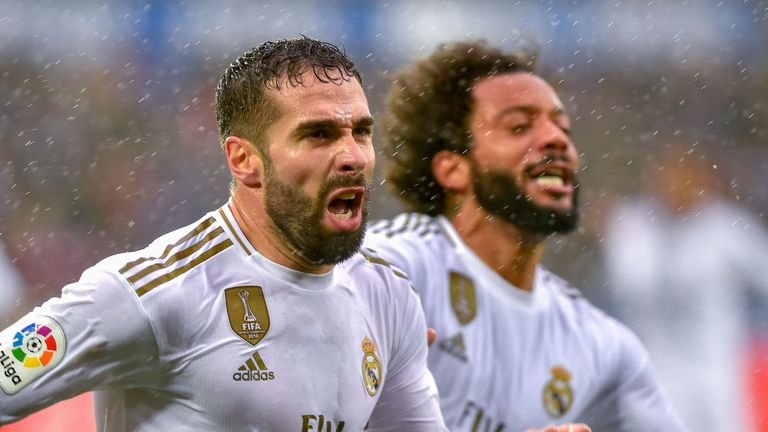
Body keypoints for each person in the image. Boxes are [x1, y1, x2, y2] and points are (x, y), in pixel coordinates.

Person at [0, 36, 447, 431]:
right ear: (243, 160)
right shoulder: (152, 293)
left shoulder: (387, 296)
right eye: (319, 135)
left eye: (361, 132)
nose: (352, 156)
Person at [363, 40, 686, 431]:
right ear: (453, 169)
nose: (558, 140)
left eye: (562, 126)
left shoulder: (602, 346)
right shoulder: (388, 270)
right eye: (519, 126)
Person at [601, 144, 768, 431]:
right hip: (658, 368)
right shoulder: (634, 226)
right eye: (664, 176)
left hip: (717, 367)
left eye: (682, 177)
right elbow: (622, 291)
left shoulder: (725, 227)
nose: (673, 186)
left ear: (700, 180)